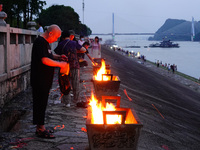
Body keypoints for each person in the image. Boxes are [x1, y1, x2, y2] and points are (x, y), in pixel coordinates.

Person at [31, 25, 69, 139]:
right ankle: (41, 129)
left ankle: (39, 127)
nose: (56, 39)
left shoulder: (45, 43)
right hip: (39, 78)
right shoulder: (40, 42)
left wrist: (58, 57)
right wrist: (60, 64)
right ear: (51, 33)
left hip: (45, 79)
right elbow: (44, 59)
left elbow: (49, 55)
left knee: (42, 103)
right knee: (40, 103)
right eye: (56, 36)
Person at [54, 30, 87, 107]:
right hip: (74, 65)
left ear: (62, 37)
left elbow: (56, 53)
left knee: (65, 83)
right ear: (69, 36)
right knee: (75, 83)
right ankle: (76, 100)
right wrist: (76, 51)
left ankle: (67, 102)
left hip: (64, 66)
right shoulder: (74, 43)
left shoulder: (61, 44)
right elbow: (84, 50)